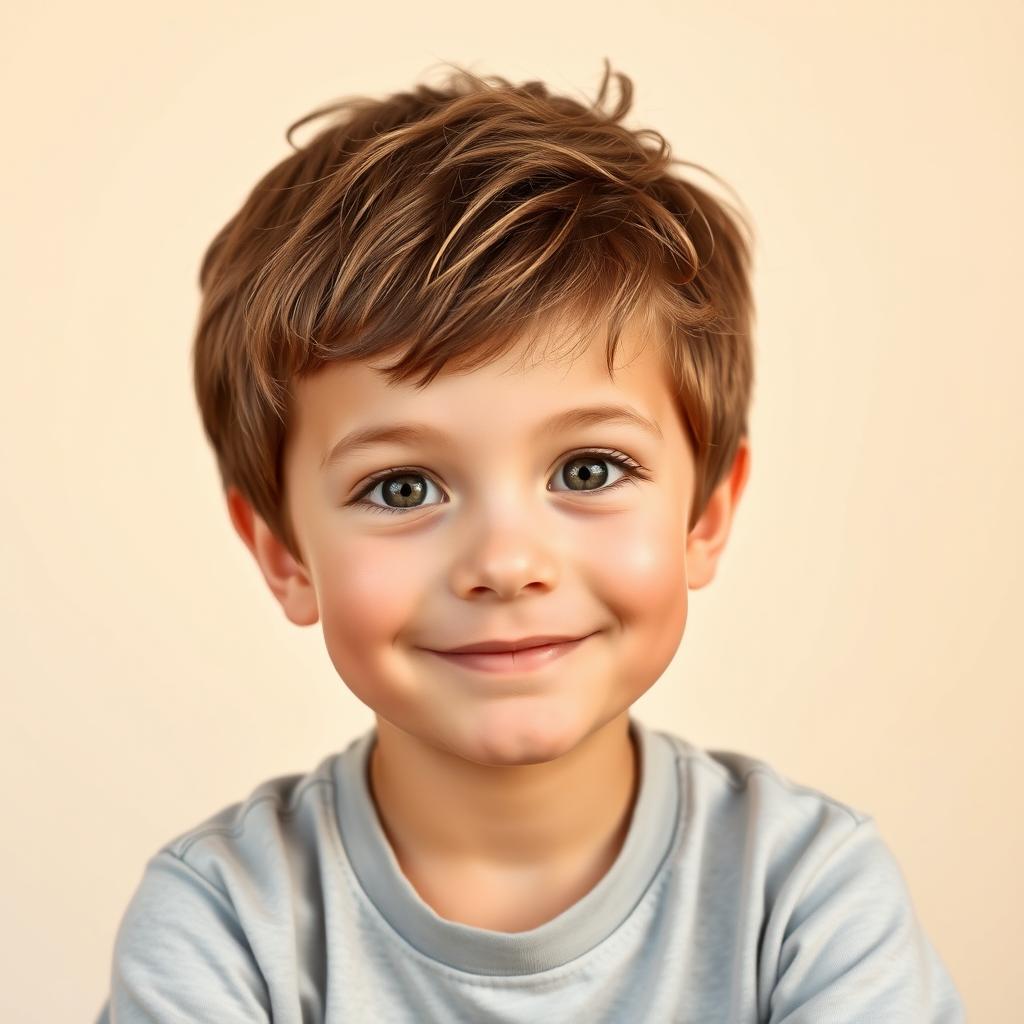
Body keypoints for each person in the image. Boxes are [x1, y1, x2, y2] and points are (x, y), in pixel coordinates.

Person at [96, 59, 966, 1022]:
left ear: (705, 516)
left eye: (587, 472)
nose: (506, 563)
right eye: (402, 486)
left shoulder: (807, 898)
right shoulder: (223, 926)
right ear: (283, 554)